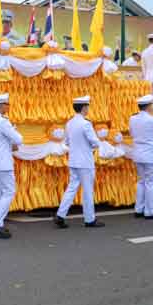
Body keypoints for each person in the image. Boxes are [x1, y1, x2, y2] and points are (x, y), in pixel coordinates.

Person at [54, 96, 104, 229]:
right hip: (85, 161)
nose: (88, 109)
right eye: (87, 106)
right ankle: (89, 219)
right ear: (83, 108)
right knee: (87, 191)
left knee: (71, 188)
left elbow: (67, 142)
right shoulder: (86, 123)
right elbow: (94, 141)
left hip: (73, 160)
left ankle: (60, 215)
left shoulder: (69, 123)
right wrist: (94, 146)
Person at [0, 93, 23, 239]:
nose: (8, 106)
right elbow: (18, 139)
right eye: (7, 104)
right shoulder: (2, 122)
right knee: (9, 191)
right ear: (1, 106)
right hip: (3, 163)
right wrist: (14, 129)